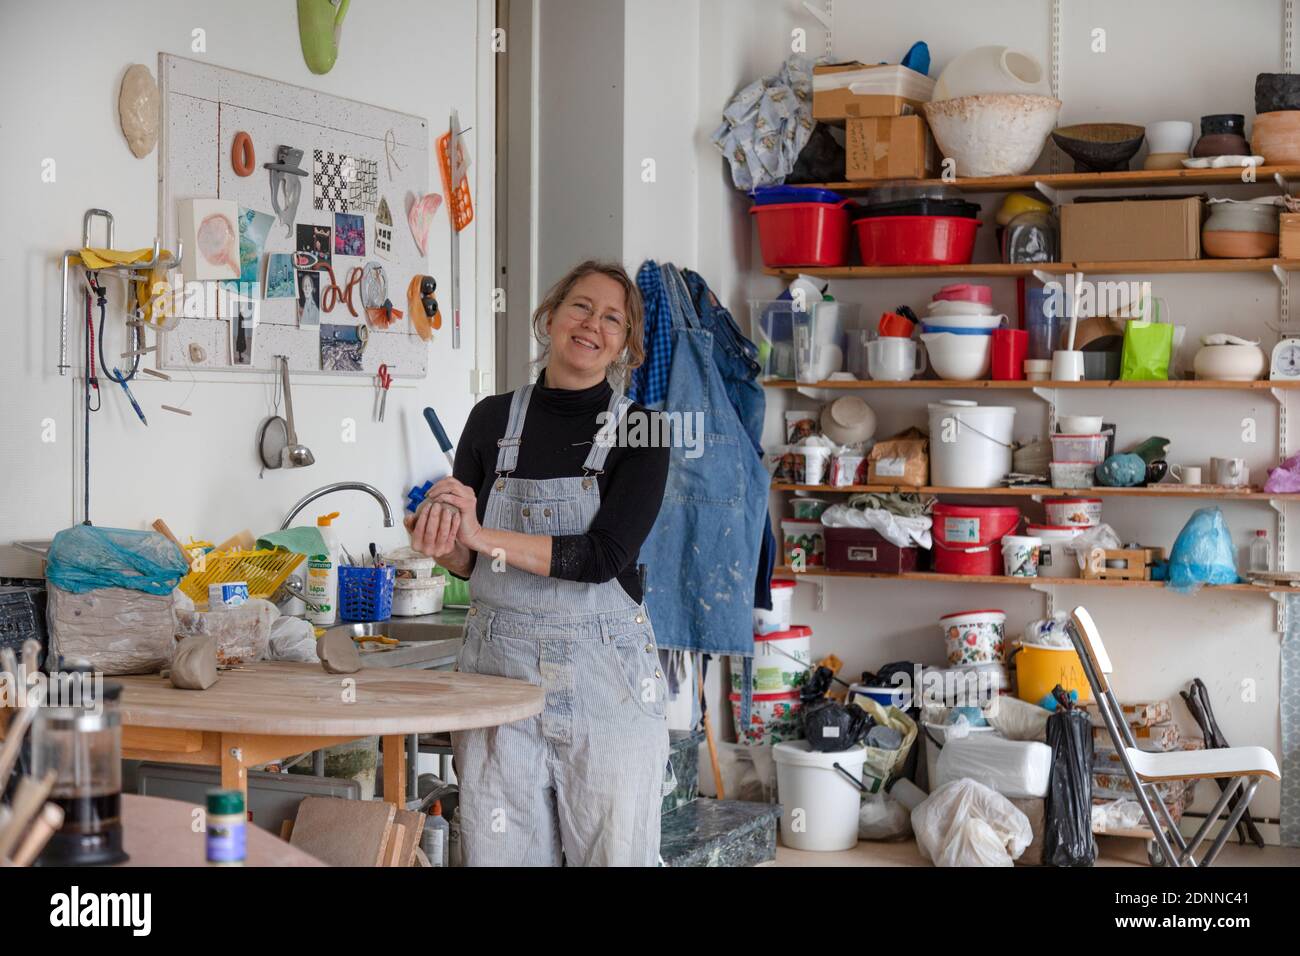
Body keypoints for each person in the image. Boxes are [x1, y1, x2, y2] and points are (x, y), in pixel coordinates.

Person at [408, 260, 671, 866]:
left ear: (626, 345)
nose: (592, 325)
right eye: (581, 306)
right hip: (499, 674)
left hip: (607, 679)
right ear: (549, 316)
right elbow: (470, 561)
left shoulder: (643, 432)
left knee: (615, 857)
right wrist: (439, 537)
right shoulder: (491, 419)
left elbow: (601, 556)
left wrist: (480, 534)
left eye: (613, 319)